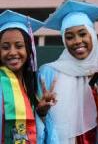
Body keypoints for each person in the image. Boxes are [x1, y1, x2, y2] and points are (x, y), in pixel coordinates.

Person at [37, 0, 98, 144]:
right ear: (63, 40)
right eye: (69, 37)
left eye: (82, 34)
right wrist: (42, 112)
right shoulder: (48, 73)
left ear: (92, 35)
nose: (77, 41)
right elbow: (38, 123)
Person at [0, 10, 57, 144]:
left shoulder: (33, 86)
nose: (13, 52)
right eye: (5, 47)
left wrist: (41, 113)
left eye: (19, 46)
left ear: (28, 49)